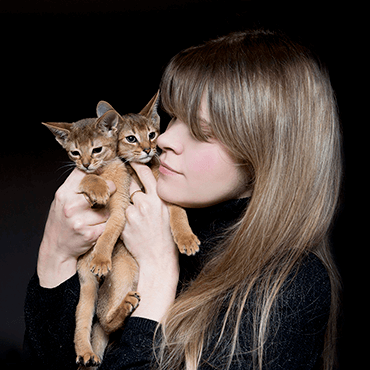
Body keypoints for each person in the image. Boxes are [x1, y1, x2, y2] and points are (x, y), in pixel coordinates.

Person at [24, 30, 342, 370]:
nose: (165, 139)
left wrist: (159, 271)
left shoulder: (292, 284)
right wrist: (54, 255)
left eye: (203, 132)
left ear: (265, 155)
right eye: (173, 117)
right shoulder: (138, 226)